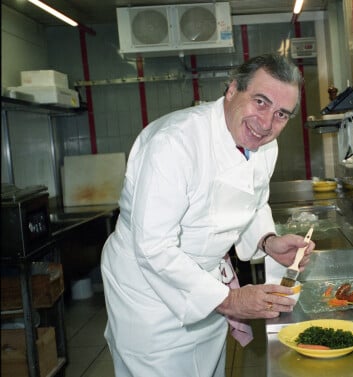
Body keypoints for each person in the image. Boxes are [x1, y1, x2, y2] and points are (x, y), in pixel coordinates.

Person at [100, 53, 315, 377]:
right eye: (260, 102)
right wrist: (231, 300)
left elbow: (252, 202)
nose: (267, 123)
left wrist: (268, 241)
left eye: (281, 114)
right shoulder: (174, 144)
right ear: (232, 90)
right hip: (149, 293)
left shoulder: (265, 147)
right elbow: (153, 247)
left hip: (206, 286)